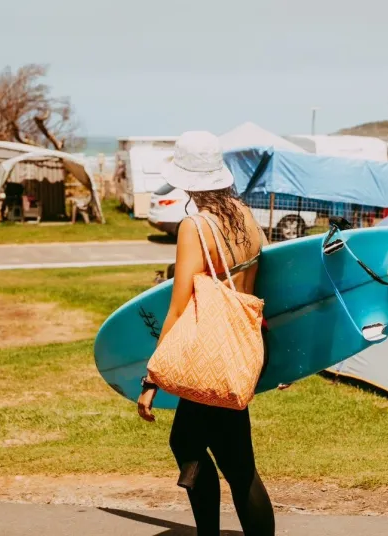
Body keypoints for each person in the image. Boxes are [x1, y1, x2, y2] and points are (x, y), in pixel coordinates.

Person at [136, 131, 275, 536]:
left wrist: (151, 378)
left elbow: (178, 308)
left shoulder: (195, 226)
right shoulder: (245, 215)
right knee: (214, 451)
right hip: (242, 346)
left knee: (232, 462)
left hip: (209, 354)